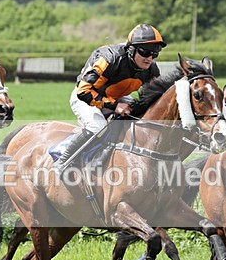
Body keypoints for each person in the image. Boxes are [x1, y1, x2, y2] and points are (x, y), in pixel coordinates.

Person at [54, 23, 166, 168]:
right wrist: (114, 106)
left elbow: (158, 97)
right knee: (98, 127)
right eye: (145, 52)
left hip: (115, 97)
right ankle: (63, 161)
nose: (149, 58)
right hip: (85, 96)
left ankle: (111, 153)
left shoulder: (151, 69)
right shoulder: (109, 58)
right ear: (131, 49)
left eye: (154, 54)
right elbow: (83, 91)